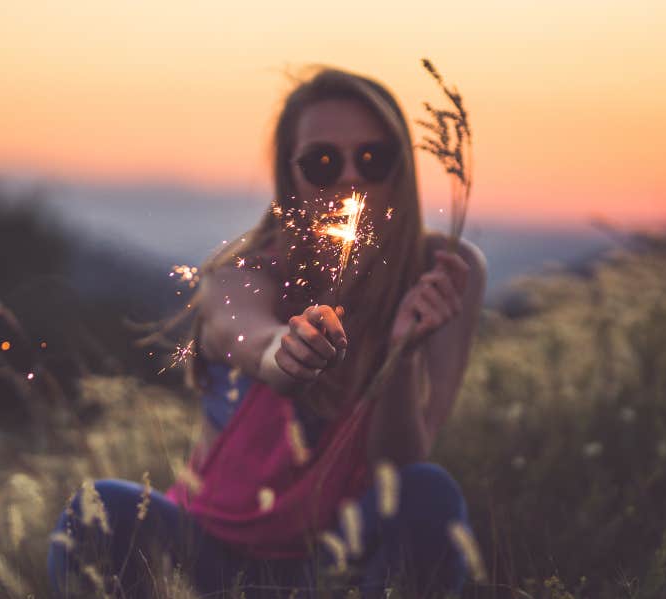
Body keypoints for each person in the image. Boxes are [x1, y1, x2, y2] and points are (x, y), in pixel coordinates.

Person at [47, 65, 487, 598]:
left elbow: (400, 468)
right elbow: (257, 342)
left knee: (426, 493)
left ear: (402, 167)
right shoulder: (239, 276)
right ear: (290, 175)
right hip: (205, 560)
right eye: (323, 162)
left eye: (374, 157)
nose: (351, 177)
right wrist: (291, 352)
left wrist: (403, 355)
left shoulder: (443, 272)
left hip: (334, 566)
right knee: (97, 511)